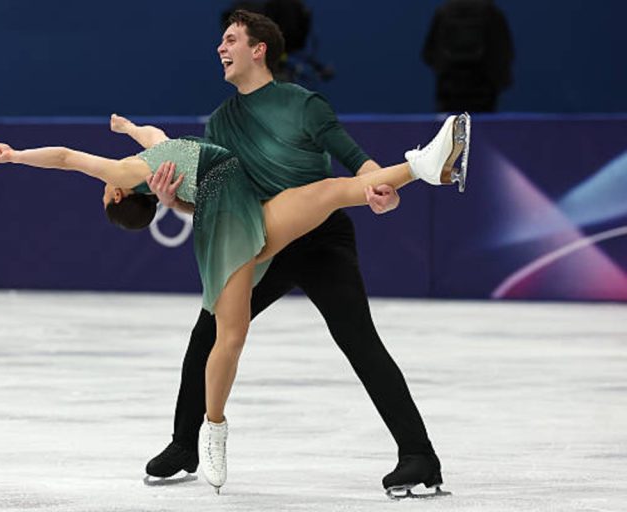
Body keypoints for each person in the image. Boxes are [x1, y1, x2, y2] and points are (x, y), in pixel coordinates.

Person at [0, 109, 469, 493]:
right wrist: (14, 155)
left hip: (286, 228)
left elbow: (141, 140)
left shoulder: (153, 158)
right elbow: (70, 156)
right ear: (117, 194)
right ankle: (195, 440)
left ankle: (426, 167)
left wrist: (129, 128)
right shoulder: (136, 170)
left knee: (330, 212)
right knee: (219, 335)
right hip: (236, 228)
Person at [138, 9, 464, 498]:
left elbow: (358, 163)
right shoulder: (222, 123)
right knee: (206, 334)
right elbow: (217, 201)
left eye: (230, 40)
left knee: (359, 341)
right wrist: (173, 200)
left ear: (258, 49)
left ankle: (419, 456)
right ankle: (185, 445)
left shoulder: (304, 104)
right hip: (262, 243)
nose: (220, 49)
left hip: (321, 239)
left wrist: (380, 189)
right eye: (220, 42)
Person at [422, 0, 514, 112]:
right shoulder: (492, 13)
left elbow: (428, 53)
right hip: (483, 93)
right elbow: (504, 53)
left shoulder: (443, 12)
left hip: (450, 91)